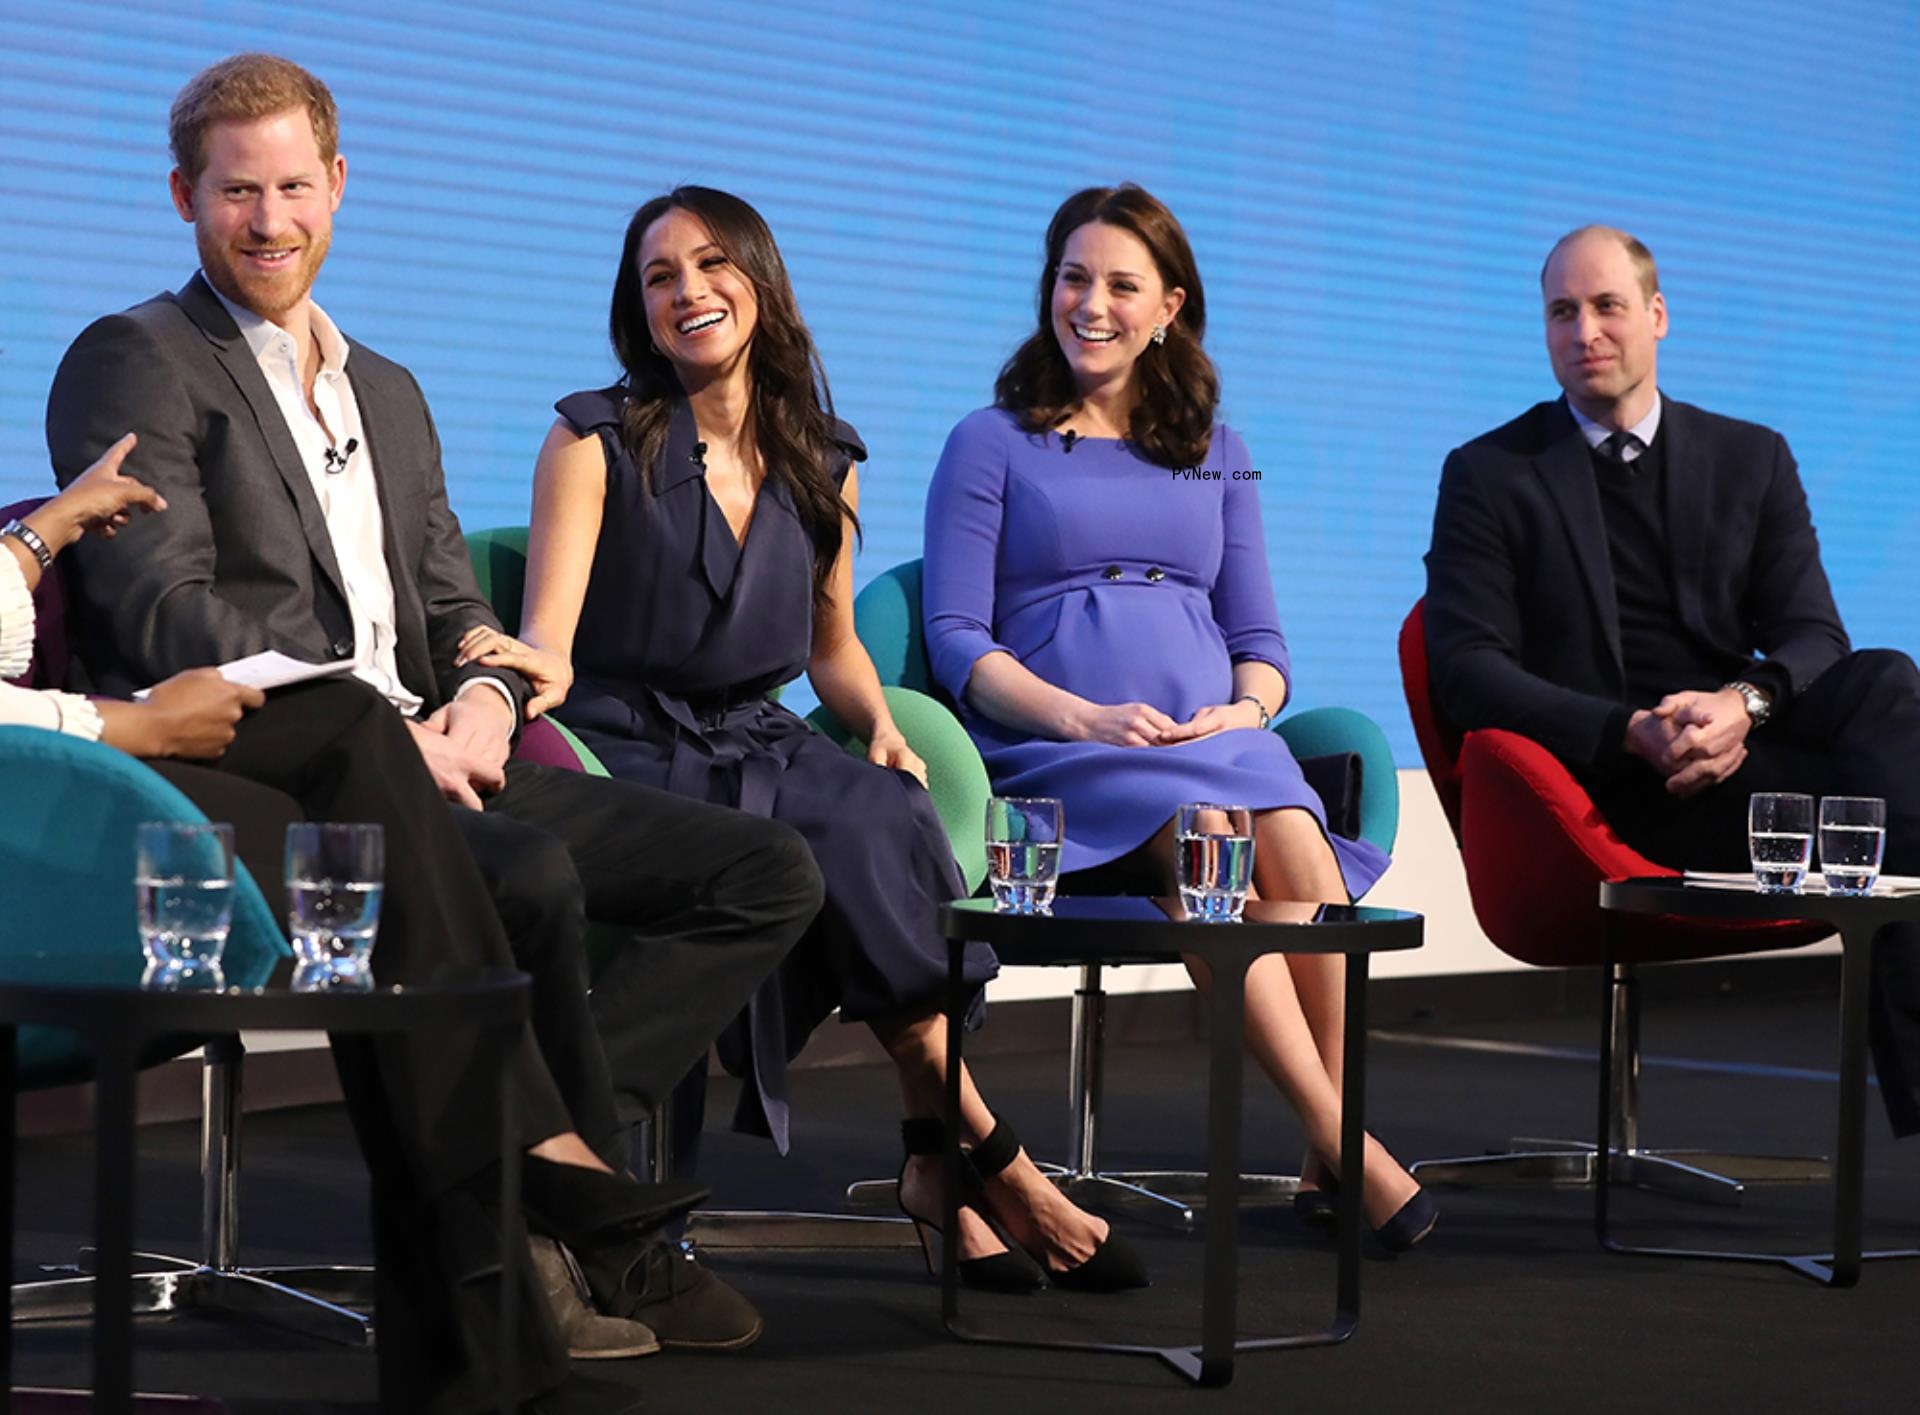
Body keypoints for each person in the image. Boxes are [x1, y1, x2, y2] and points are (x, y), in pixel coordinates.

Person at [40, 53, 826, 1398]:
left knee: (764, 870)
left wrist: (483, 693)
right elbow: (160, 612)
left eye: (294, 185)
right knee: (521, 874)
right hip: (256, 759)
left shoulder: (391, 391)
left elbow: (458, 598)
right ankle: (558, 1213)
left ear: (338, 186)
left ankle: (541, 1168)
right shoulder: (137, 358)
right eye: (238, 191)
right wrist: (374, 720)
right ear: (185, 196)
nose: (270, 218)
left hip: (431, 750)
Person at [463, 185, 1142, 1292]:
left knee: (885, 808)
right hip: (628, 743)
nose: (689, 290)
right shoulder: (591, 437)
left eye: (712, 263)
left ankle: (942, 1161)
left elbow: (832, 648)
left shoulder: (824, 455)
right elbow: (550, 641)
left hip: (756, 731)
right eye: (659, 277)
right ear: (638, 311)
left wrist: (879, 725)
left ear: (760, 281)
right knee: (846, 842)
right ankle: (992, 1159)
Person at [920, 183, 1436, 1248]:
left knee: (1291, 832)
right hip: (1060, 745)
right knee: (1217, 837)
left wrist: (1240, 714)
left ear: (1170, 306)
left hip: (1207, 740)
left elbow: (1265, 642)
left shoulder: (1222, 445)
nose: (1090, 304)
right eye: (1073, 278)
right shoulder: (990, 439)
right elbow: (959, 641)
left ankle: (1320, 1156)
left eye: (1120, 284)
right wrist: (1081, 717)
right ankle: (1350, 1143)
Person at [1424, 223, 1920, 1134]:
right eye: (1562, 312)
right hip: (1626, 788)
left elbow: (1815, 634)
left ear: (1656, 315)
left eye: (1608, 306)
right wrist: (1627, 729)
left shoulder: (1751, 455)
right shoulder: (1491, 474)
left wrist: (1744, 704)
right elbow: (1467, 671)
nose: (1586, 331)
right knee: (1895, 807)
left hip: (1756, 749)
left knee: (1889, 679)